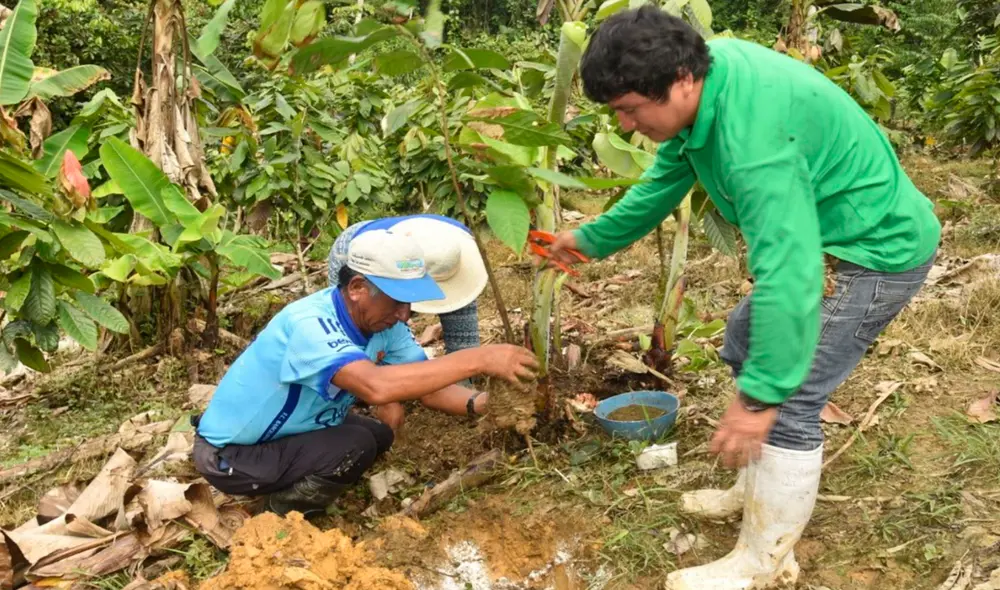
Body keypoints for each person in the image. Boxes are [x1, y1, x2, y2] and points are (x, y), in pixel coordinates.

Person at [547, 8, 940, 589]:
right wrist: (591, 239)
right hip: (832, 242)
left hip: (874, 253)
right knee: (745, 338)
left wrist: (758, 402)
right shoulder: (711, 79)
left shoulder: (753, 140)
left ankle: (764, 563)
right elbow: (664, 181)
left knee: (792, 398)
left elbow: (791, 271)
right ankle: (756, 493)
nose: (627, 125)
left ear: (680, 80)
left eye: (631, 109)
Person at [193, 229, 537, 517]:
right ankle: (275, 512)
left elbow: (427, 386)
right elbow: (375, 387)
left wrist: (488, 404)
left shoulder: (385, 324)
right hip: (232, 455)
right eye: (396, 302)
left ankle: (298, 478)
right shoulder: (310, 324)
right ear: (357, 288)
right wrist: (479, 358)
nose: (404, 314)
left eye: (410, 305)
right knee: (354, 445)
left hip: (293, 430)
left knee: (378, 435)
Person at [329, 214, 486, 356]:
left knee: (463, 340)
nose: (404, 314)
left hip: (435, 260)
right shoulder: (375, 255)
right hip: (366, 253)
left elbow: (467, 350)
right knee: (364, 332)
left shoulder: (455, 252)